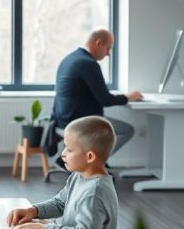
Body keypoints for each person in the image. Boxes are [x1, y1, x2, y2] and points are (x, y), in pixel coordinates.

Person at [6, 115, 119, 229]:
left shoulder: (94, 192)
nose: (63, 153)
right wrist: (34, 211)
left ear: (89, 156)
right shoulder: (79, 176)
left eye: (69, 149)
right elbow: (60, 203)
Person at [51, 29, 142, 164]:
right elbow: (105, 99)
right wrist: (128, 97)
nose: (108, 54)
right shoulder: (88, 64)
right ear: (99, 43)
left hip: (62, 120)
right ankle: (93, 164)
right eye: (108, 48)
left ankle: (77, 160)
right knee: (126, 131)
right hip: (80, 122)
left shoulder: (69, 59)